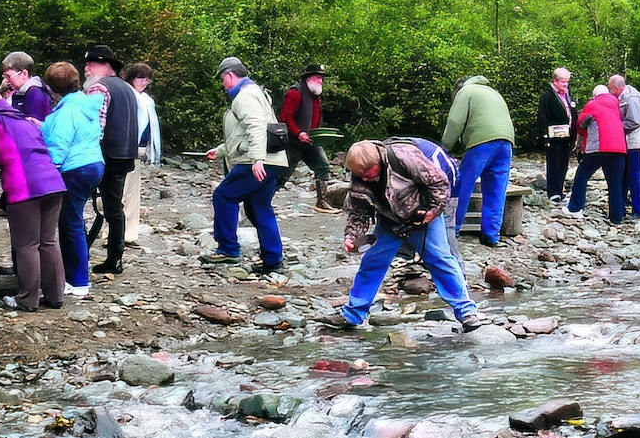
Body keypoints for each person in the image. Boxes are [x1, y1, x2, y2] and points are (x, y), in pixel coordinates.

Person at [320, 140, 481, 333]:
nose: (364, 178)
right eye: (359, 174)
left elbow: (440, 183)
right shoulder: (359, 177)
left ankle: (466, 312)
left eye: (368, 172)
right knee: (372, 261)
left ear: (378, 162)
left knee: (440, 258)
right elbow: (359, 212)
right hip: (390, 221)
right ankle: (352, 315)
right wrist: (351, 237)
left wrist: (433, 211)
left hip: (423, 216)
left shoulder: (404, 157)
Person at [0, 91, 67, 312]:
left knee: (27, 245)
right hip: (53, 183)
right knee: (48, 242)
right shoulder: (22, 119)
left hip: (25, 187)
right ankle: (55, 296)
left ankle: (27, 299)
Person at [202, 57, 288, 275]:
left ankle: (228, 249)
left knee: (223, 195)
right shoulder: (256, 92)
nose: (223, 84)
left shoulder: (244, 95)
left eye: (223, 79)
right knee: (259, 206)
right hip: (272, 159)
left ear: (230, 76)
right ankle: (272, 258)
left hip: (255, 161)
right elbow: (244, 133)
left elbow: (256, 127)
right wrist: (221, 150)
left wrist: (257, 159)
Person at [40, 61, 105, 297]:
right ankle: (76, 276)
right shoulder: (85, 104)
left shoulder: (66, 111)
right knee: (74, 220)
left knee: (70, 224)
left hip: (74, 169)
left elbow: (58, 146)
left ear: (51, 87)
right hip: (93, 164)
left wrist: (47, 173)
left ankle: (76, 280)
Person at [81, 44, 138, 275]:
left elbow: (96, 126)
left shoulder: (99, 88)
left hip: (105, 155)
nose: (86, 68)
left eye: (90, 64)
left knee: (80, 206)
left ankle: (87, 255)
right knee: (115, 208)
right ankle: (115, 258)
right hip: (125, 154)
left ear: (104, 66)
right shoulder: (126, 88)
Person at [441, 75, 516, 246]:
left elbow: (455, 121)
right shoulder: (493, 92)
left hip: (481, 142)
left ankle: (452, 229)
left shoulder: (465, 92)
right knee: (496, 189)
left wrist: (445, 147)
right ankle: (491, 235)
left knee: (463, 185)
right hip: (506, 142)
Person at [278, 62, 339, 214]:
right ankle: (261, 203)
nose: (321, 81)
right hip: (293, 141)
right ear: (308, 78)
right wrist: (299, 133)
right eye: (318, 77)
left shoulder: (316, 95)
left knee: (323, 166)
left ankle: (322, 202)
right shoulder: (295, 93)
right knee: (282, 174)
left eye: (322, 78)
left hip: (311, 141)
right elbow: (285, 117)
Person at [567, 85, 627, 223]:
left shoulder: (593, 104)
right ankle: (616, 217)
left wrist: (580, 139)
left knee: (582, 176)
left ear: (595, 95)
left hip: (598, 148)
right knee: (615, 183)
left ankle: (575, 208)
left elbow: (580, 123)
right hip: (619, 149)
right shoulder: (617, 104)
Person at [120, 62, 162, 242]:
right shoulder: (127, 95)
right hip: (123, 149)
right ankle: (114, 231)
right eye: (140, 78)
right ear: (132, 77)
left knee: (132, 193)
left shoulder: (146, 99)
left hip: (139, 149)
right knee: (120, 191)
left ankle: (130, 233)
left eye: (147, 79)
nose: (144, 82)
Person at [533, 68, 577, 204]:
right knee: (554, 163)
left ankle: (560, 191)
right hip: (554, 136)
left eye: (567, 82)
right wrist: (545, 137)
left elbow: (572, 113)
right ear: (555, 81)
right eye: (563, 82)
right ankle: (553, 192)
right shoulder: (547, 95)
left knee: (563, 164)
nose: (565, 85)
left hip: (566, 135)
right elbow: (542, 116)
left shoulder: (568, 95)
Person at [609, 75, 640, 218]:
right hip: (626, 142)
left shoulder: (631, 98)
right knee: (626, 174)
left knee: (634, 175)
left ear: (618, 87)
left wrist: (616, 127)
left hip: (634, 142)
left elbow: (634, 121)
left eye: (611, 89)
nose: (610, 91)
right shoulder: (623, 96)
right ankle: (624, 203)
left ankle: (638, 210)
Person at [0, 52, 53, 122]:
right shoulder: (21, 93)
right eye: (5, 77)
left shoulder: (35, 95)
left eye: (8, 76)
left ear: (24, 74)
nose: (6, 81)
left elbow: (33, 127)